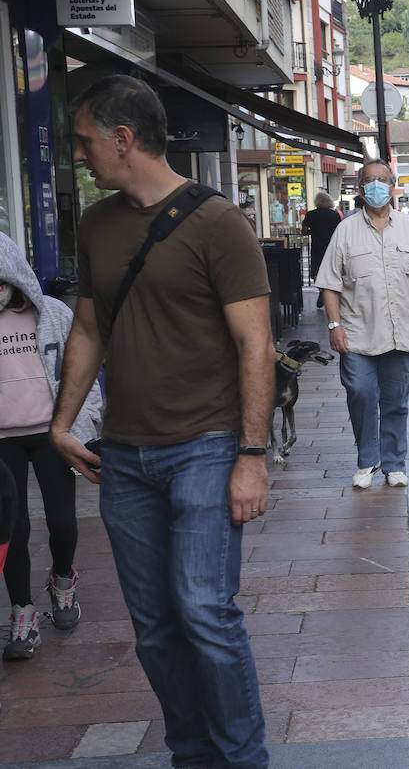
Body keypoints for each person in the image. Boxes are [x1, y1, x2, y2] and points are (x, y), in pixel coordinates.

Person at [49, 73, 274, 767]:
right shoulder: (96, 224)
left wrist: (252, 455)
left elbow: (255, 345)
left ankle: (244, 760)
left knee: (205, 611)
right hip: (124, 459)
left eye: (85, 142)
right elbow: (87, 328)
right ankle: (194, 755)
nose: (79, 156)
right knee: (154, 629)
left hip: (206, 448)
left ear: (123, 139)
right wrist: (61, 423)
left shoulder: (217, 222)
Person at [0, 233, 104, 661]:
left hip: (51, 434)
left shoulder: (53, 314)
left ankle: (63, 581)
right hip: (2, 440)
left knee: (62, 521)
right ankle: (22, 613)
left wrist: (88, 423)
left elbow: (84, 371)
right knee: (15, 530)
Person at [316, 159, 409, 490]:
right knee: (360, 393)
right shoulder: (345, 230)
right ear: (360, 189)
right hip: (357, 335)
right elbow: (329, 283)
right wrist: (334, 325)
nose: (376, 186)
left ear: (393, 186)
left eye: (382, 180)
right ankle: (367, 459)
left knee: (396, 402)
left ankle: (394, 463)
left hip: (403, 335)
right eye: (369, 180)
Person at [302, 190, 343, 307]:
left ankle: (321, 289)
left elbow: (304, 232)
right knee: (331, 269)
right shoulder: (334, 214)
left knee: (316, 269)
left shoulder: (310, 214)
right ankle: (327, 290)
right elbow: (339, 231)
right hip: (331, 246)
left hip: (317, 246)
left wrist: (313, 231)